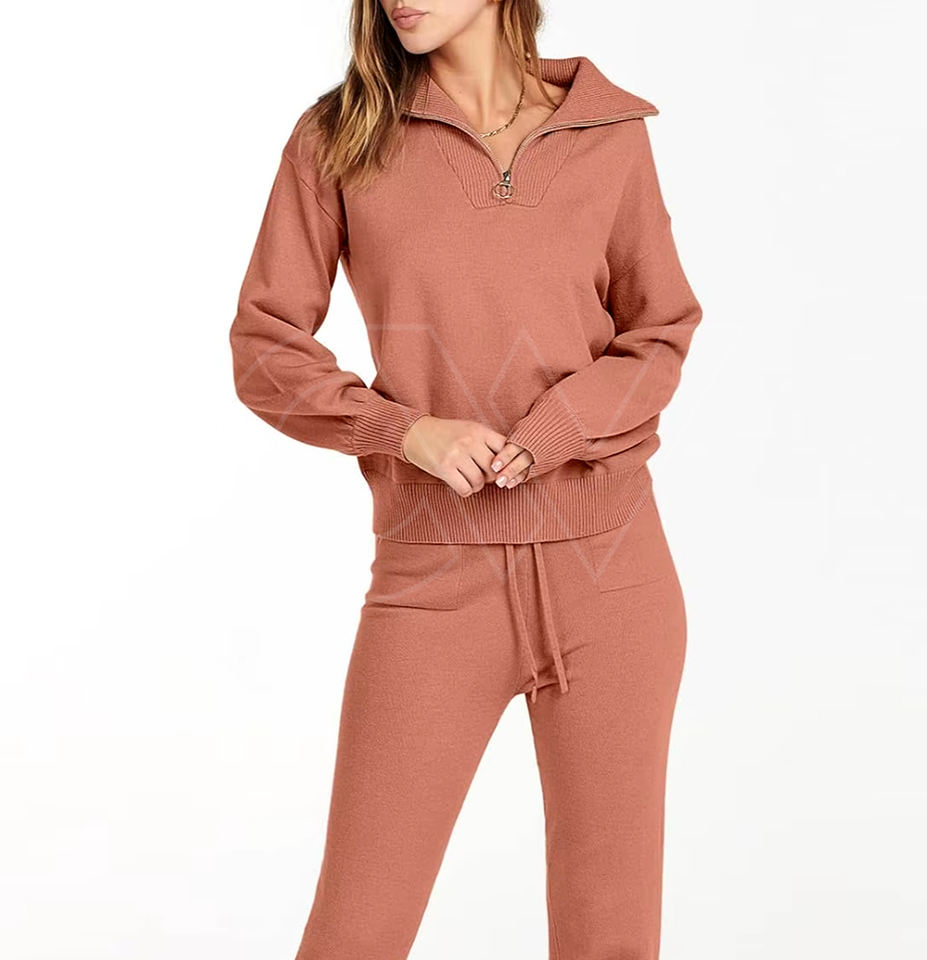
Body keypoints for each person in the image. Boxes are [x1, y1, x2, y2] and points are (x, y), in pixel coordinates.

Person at [228, 1, 703, 957]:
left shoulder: (609, 133)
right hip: (432, 584)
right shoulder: (338, 139)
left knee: (611, 935)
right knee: (356, 932)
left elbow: (660, 332)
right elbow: (264, 346)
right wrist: (405, 432)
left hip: (614, 578)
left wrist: (561, 428)